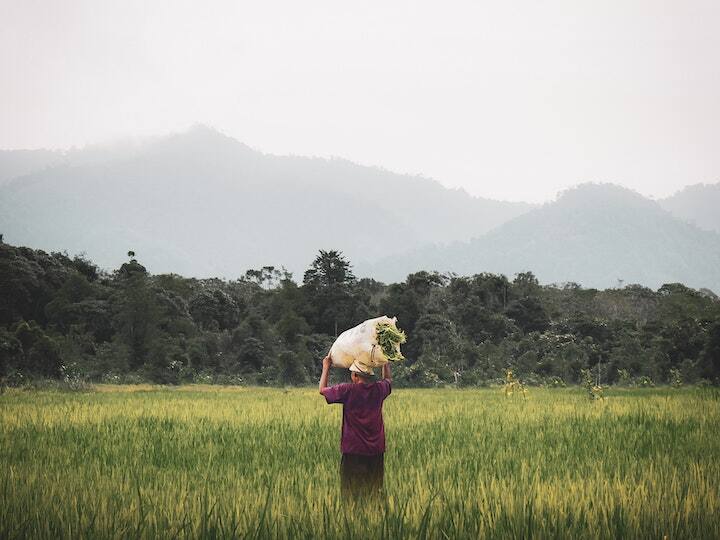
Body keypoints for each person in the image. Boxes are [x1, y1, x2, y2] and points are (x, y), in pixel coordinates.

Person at [319, 353, 392, 500]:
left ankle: (353, 517)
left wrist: (326, 367)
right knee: (374, 491)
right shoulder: (379, 389)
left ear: (355, 376)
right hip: (376, 450)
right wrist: (385, 362)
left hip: (353, 450)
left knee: (351, 492)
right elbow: (388, 380)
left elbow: (322, 390)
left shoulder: (347, 390)